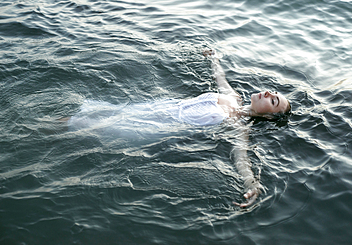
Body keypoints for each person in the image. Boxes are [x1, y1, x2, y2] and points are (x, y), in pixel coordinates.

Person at [65, 49, 291, 208]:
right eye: (272, 92)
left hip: (156, 127)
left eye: (273, 101)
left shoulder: (239, 126)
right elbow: (219, 77)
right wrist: (214, 58)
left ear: (270, 118)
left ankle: (50, 135)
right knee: (91, 112)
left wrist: (252, 185)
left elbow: (241, 158)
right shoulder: (233, 97)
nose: (269, 94)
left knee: (82, 125)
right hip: (156, 109)